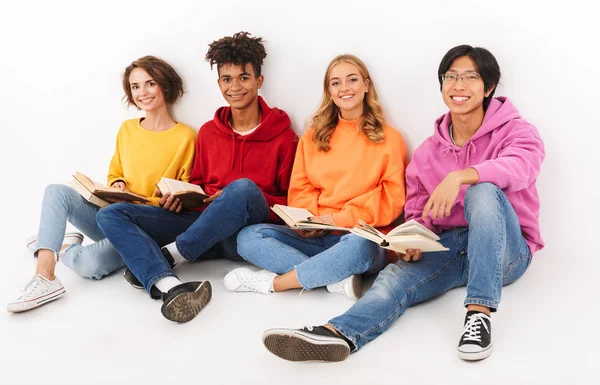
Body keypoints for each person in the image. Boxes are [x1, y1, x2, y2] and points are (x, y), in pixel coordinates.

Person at [261, 45, 545, 363]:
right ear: (442, 86)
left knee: (482, 191)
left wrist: (462, 177)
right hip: (449, 248)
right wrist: (414, 239)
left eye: (470, 77)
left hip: (507, 251)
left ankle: (478, 314)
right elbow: (418, 210)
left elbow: (522, 167)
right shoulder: (428, 152)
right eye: (451, 76)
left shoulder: (517, 132)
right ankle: (338, 333)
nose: (459, 85)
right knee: (393, 277)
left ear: (489, 87)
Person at [96, 32, 298, 323]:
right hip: (201, 227)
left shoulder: (284, 138)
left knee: (241, 189)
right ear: (219, 84)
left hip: (243, 232)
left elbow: (289, 203)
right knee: (112, 215)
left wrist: (233, 199)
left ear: (259, 81)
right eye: (227, 79)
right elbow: (198, 186)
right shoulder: (207, 133)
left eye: (243, 78)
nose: (235, 87)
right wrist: (182, 199)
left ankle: (172, 255)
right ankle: (170, 287)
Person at [7, 56, 197, 313]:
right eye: (135, 86)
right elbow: (116, 169)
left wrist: (160, 199)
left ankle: (61, 245)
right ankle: (45, 276)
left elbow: (182, 189)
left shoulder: (186, 137)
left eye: (150, 83)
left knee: (90, 265)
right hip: (110, 212)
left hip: (143, 228)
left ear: (164, 85)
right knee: (56, 192)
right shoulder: (127, 129)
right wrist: (117, 183)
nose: (142, 92)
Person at [225, 54, 408, 300]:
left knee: (359, 246)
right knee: (249, 237)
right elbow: (300, 189)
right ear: (329, 92)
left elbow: (391, 199)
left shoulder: (390, 138)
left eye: (352, 80)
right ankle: (335, 278)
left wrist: (339, 219)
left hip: (361, 237)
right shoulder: (313, 137)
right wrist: (312, 221)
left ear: (366, 85)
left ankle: (276, 283)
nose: (344, 88)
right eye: (336, 83)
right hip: (317, 236)